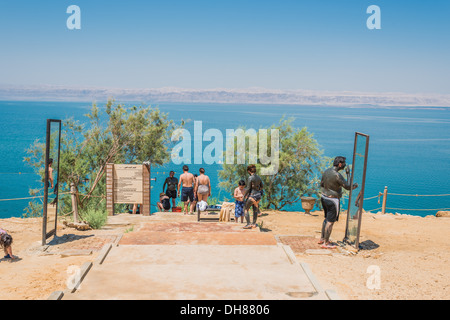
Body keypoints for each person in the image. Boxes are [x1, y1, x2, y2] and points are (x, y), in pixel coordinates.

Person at [319, 156, 358, 249]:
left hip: (324, 197)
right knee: (330, 222)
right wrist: (348, 174)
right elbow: (348, 187)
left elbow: (321, 184)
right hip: (332, 200)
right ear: (340, 164)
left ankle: (322, 239)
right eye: (344, 163)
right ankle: (326, 243)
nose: (344, 165)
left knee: (326, 218)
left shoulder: (326, 171)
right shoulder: (337, 175)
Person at [243, 164, 264, 229]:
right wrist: (257, 189)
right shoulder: (258, 177)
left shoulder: (250, 178)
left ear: (249, 171)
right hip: (258, 196)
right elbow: (262, 187)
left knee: (245, 209)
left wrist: (244, 196)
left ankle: (248, 224)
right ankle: (254, 224)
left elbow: (248, 188)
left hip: (252, 196)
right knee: (255, 210)